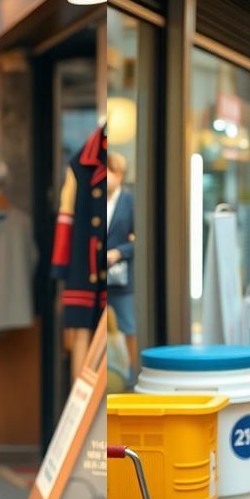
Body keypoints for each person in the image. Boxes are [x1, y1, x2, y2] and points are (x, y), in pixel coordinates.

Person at [105, 150, 137, 370]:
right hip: (98, 276)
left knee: (128, 328)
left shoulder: (130, 201)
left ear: (118, 175)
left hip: (121, 278)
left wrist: (119, 252)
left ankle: (132, 373)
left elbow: (141, 238)